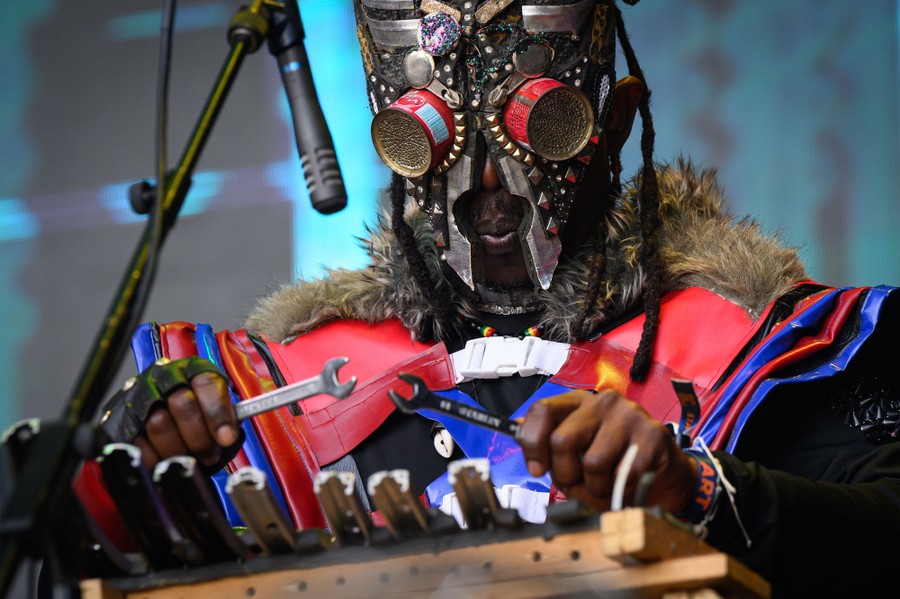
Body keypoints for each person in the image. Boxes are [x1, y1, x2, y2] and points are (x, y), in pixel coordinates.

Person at [82, 0, 900, 596]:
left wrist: (695, 487)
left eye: (543, 130)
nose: (485, 189)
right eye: (433, 138)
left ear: (614, 121)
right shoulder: (280, 397)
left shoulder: (756, 350)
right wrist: (131, 461)